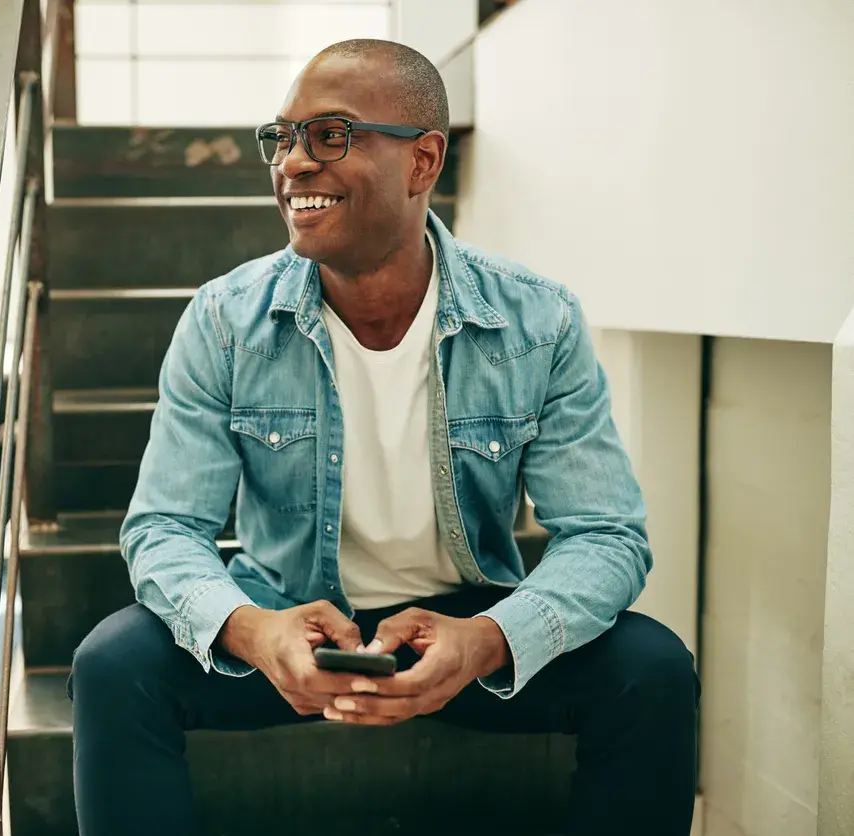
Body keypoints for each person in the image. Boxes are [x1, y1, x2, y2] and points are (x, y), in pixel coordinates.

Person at [68, 38, 699, 836]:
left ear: (423, 161)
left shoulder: (538, 321)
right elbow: (162, 527)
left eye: (329, 135)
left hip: (466, 625)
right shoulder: (226, 320)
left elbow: (607, 535)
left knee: (653, 669)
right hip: (288, 618)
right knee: (113, 665)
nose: (293, 164)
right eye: (283, 137)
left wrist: (489, 640)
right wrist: (253, 631)